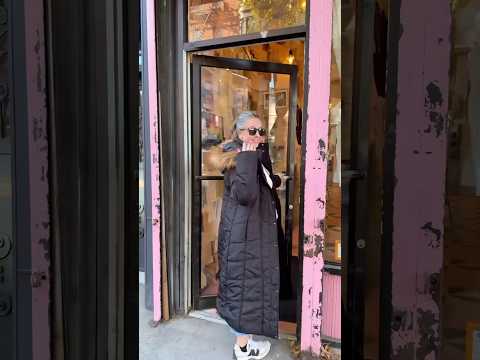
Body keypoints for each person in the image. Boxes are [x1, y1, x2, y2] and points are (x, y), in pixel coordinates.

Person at [208, 111, 283, 360]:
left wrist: (273, 178)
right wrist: (251, 156)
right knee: (245, 289)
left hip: (252, 233)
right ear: (239, 133)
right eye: (252, 131)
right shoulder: (238, 159)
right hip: (244, 236)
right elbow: (245, 194)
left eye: (261, 131)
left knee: (250, 287)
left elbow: (263, 181)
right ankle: (242, 349)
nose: (258, 136)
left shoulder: (253, 155)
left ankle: (246, 342)